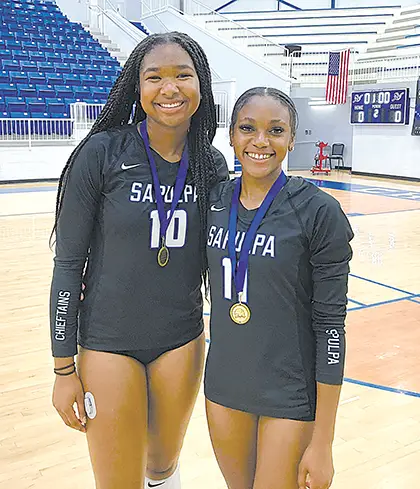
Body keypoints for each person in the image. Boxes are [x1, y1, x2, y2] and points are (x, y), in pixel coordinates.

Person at [49, 32, 228, 489]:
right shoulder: (102, 153)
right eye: (155, 78)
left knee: (163, 468)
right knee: (117, 480)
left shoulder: (211, 164)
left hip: (181, 340)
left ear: (201, 86)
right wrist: (63, 368)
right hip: (109, 341)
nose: (170, 88)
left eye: (182, 75)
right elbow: (69, 265)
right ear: (137, 88)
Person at [205, 87, 353, 489]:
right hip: (223, 385)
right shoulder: (214, 201)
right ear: (232, 136)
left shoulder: (319, 211)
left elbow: (331, 328)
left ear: (291, 138)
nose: (260, 141)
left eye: (275, 130)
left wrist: (323, 441)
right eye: (247, 128)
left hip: (290, 392)